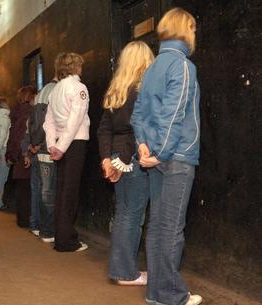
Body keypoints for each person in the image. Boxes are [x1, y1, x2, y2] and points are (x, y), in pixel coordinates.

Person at [130, 8, 202, 305]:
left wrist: (144, 146)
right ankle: (172, 295)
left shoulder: (153, 67)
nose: (195, 33)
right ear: (184, 29)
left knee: (158, 225)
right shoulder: (183, 66)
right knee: (171, 228)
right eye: (193, 28)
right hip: (176, 156)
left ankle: (156, 293)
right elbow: (174, 115)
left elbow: (138, 115)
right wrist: (160, 152)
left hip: (156, 158)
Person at [97, 41, 154, 286]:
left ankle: (121, 269)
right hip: (131, 158)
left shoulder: (116, 90)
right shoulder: (142, 90)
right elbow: (135, 130)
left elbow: (104, 129)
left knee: (124, 213)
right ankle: (126, 273)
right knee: (132, 215)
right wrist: (120, 162)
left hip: (117, 155)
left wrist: (106, 159)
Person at [43, 52, 90, 252]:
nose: (82, 68)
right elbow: (75, 121)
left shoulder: (55, 90)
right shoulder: (79, 88)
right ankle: (66, 241)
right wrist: (61, 148)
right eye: (80, 65)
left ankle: (61, 236)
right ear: (75, 66)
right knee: (70, 193)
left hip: (61, 144)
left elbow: (49, 122)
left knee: (62, 191)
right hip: (75, 143)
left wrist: (52, 145)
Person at [24, 53, 63, 242]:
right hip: (48, 147)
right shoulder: (55, 90)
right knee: (48, 190)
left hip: (40, 146)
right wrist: (38, 141)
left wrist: (33, 142)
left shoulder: (43, 90)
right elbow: (40, 120)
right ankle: (47, 230)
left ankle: (37, 225)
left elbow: (33, 119)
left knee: (39, 188)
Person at [6, 86, 37, 228]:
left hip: (17, 153)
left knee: (21, 188)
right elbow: (22, 135)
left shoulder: (16, 112)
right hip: (25, 154)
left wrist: (10, 153)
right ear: (31, 97)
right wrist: (26, 153)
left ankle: (22, 219)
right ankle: (26, 219)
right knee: (27, 189)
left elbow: (12, 134)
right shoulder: (28, 112)